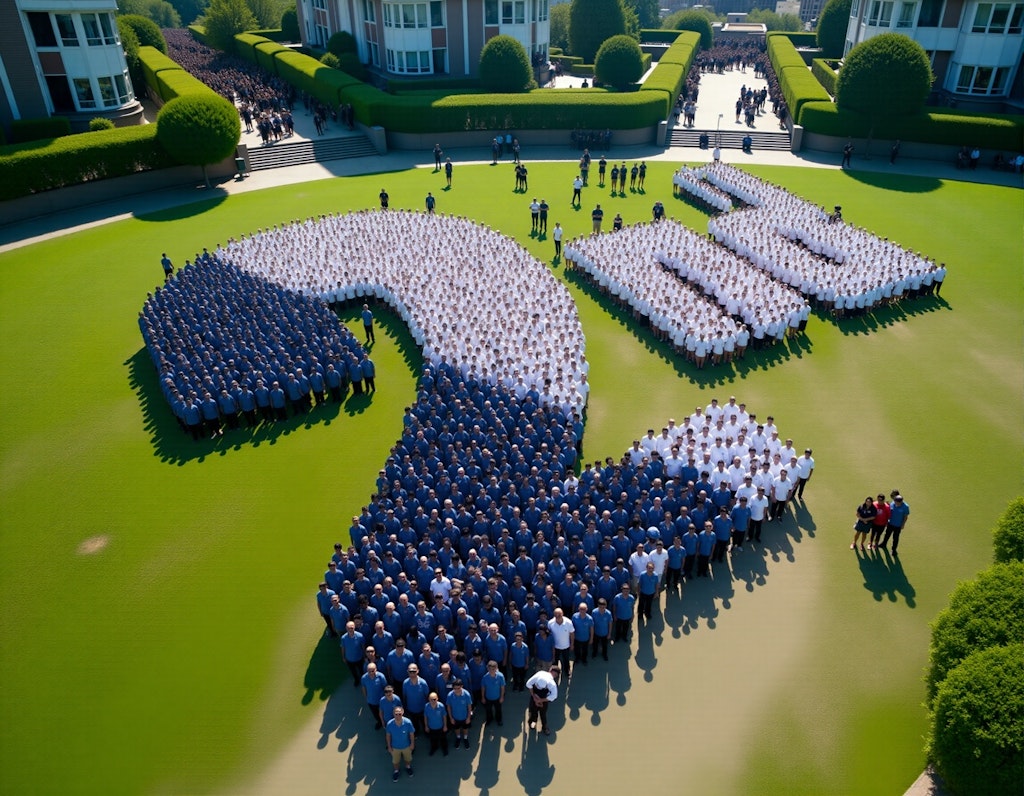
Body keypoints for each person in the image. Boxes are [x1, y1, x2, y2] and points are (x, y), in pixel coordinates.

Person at [525, 665, 560, 736]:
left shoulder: (552, 684)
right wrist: (534, 697)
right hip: (534, 696)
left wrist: (541, 700)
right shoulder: (539, 674)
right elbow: (528, 684)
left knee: (543, 713)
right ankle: (532, 722)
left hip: (544, 698)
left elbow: (554, 696)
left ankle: (544, 727)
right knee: (533, 711)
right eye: (538, 686)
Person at [386, 706, 416, 781]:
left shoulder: (408, 722)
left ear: (402, 713)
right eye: (396, 714)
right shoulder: (389, 724)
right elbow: (388, 736)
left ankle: (408, 767)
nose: (398, 715)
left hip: (407, 746)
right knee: (395, 761)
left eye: (399, 714)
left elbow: (411, 734)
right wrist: (389, 746)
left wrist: (412, 744)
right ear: (393, 714)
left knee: (408, 759)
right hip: (395, 747)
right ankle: (396, 771)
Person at [547, 607, 574, 677]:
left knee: (566, 660)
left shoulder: (568, 622)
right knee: (555, 660)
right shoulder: (550, 623)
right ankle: (555, 673)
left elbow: (572, 634)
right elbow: (548, 635)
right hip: (555, 647)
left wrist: (572, 644)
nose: (558, 616)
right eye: (556, 614)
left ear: (562, 614)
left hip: (566, 646)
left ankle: (567, 671)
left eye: (559, 614)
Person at [480, 660, 506, 726]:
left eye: (493, 669)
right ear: (488, 669)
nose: (492, 671)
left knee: (498, 710)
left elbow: (502, 687)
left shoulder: (500, 676)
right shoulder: (485, 677)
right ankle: (489, 719)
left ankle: (499, 720)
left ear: (496, 668)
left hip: (497, 697)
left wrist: (502, 697)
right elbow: (483, 688)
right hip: (488, 697)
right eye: (490, 669)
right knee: (488, 710)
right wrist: (483, 697)